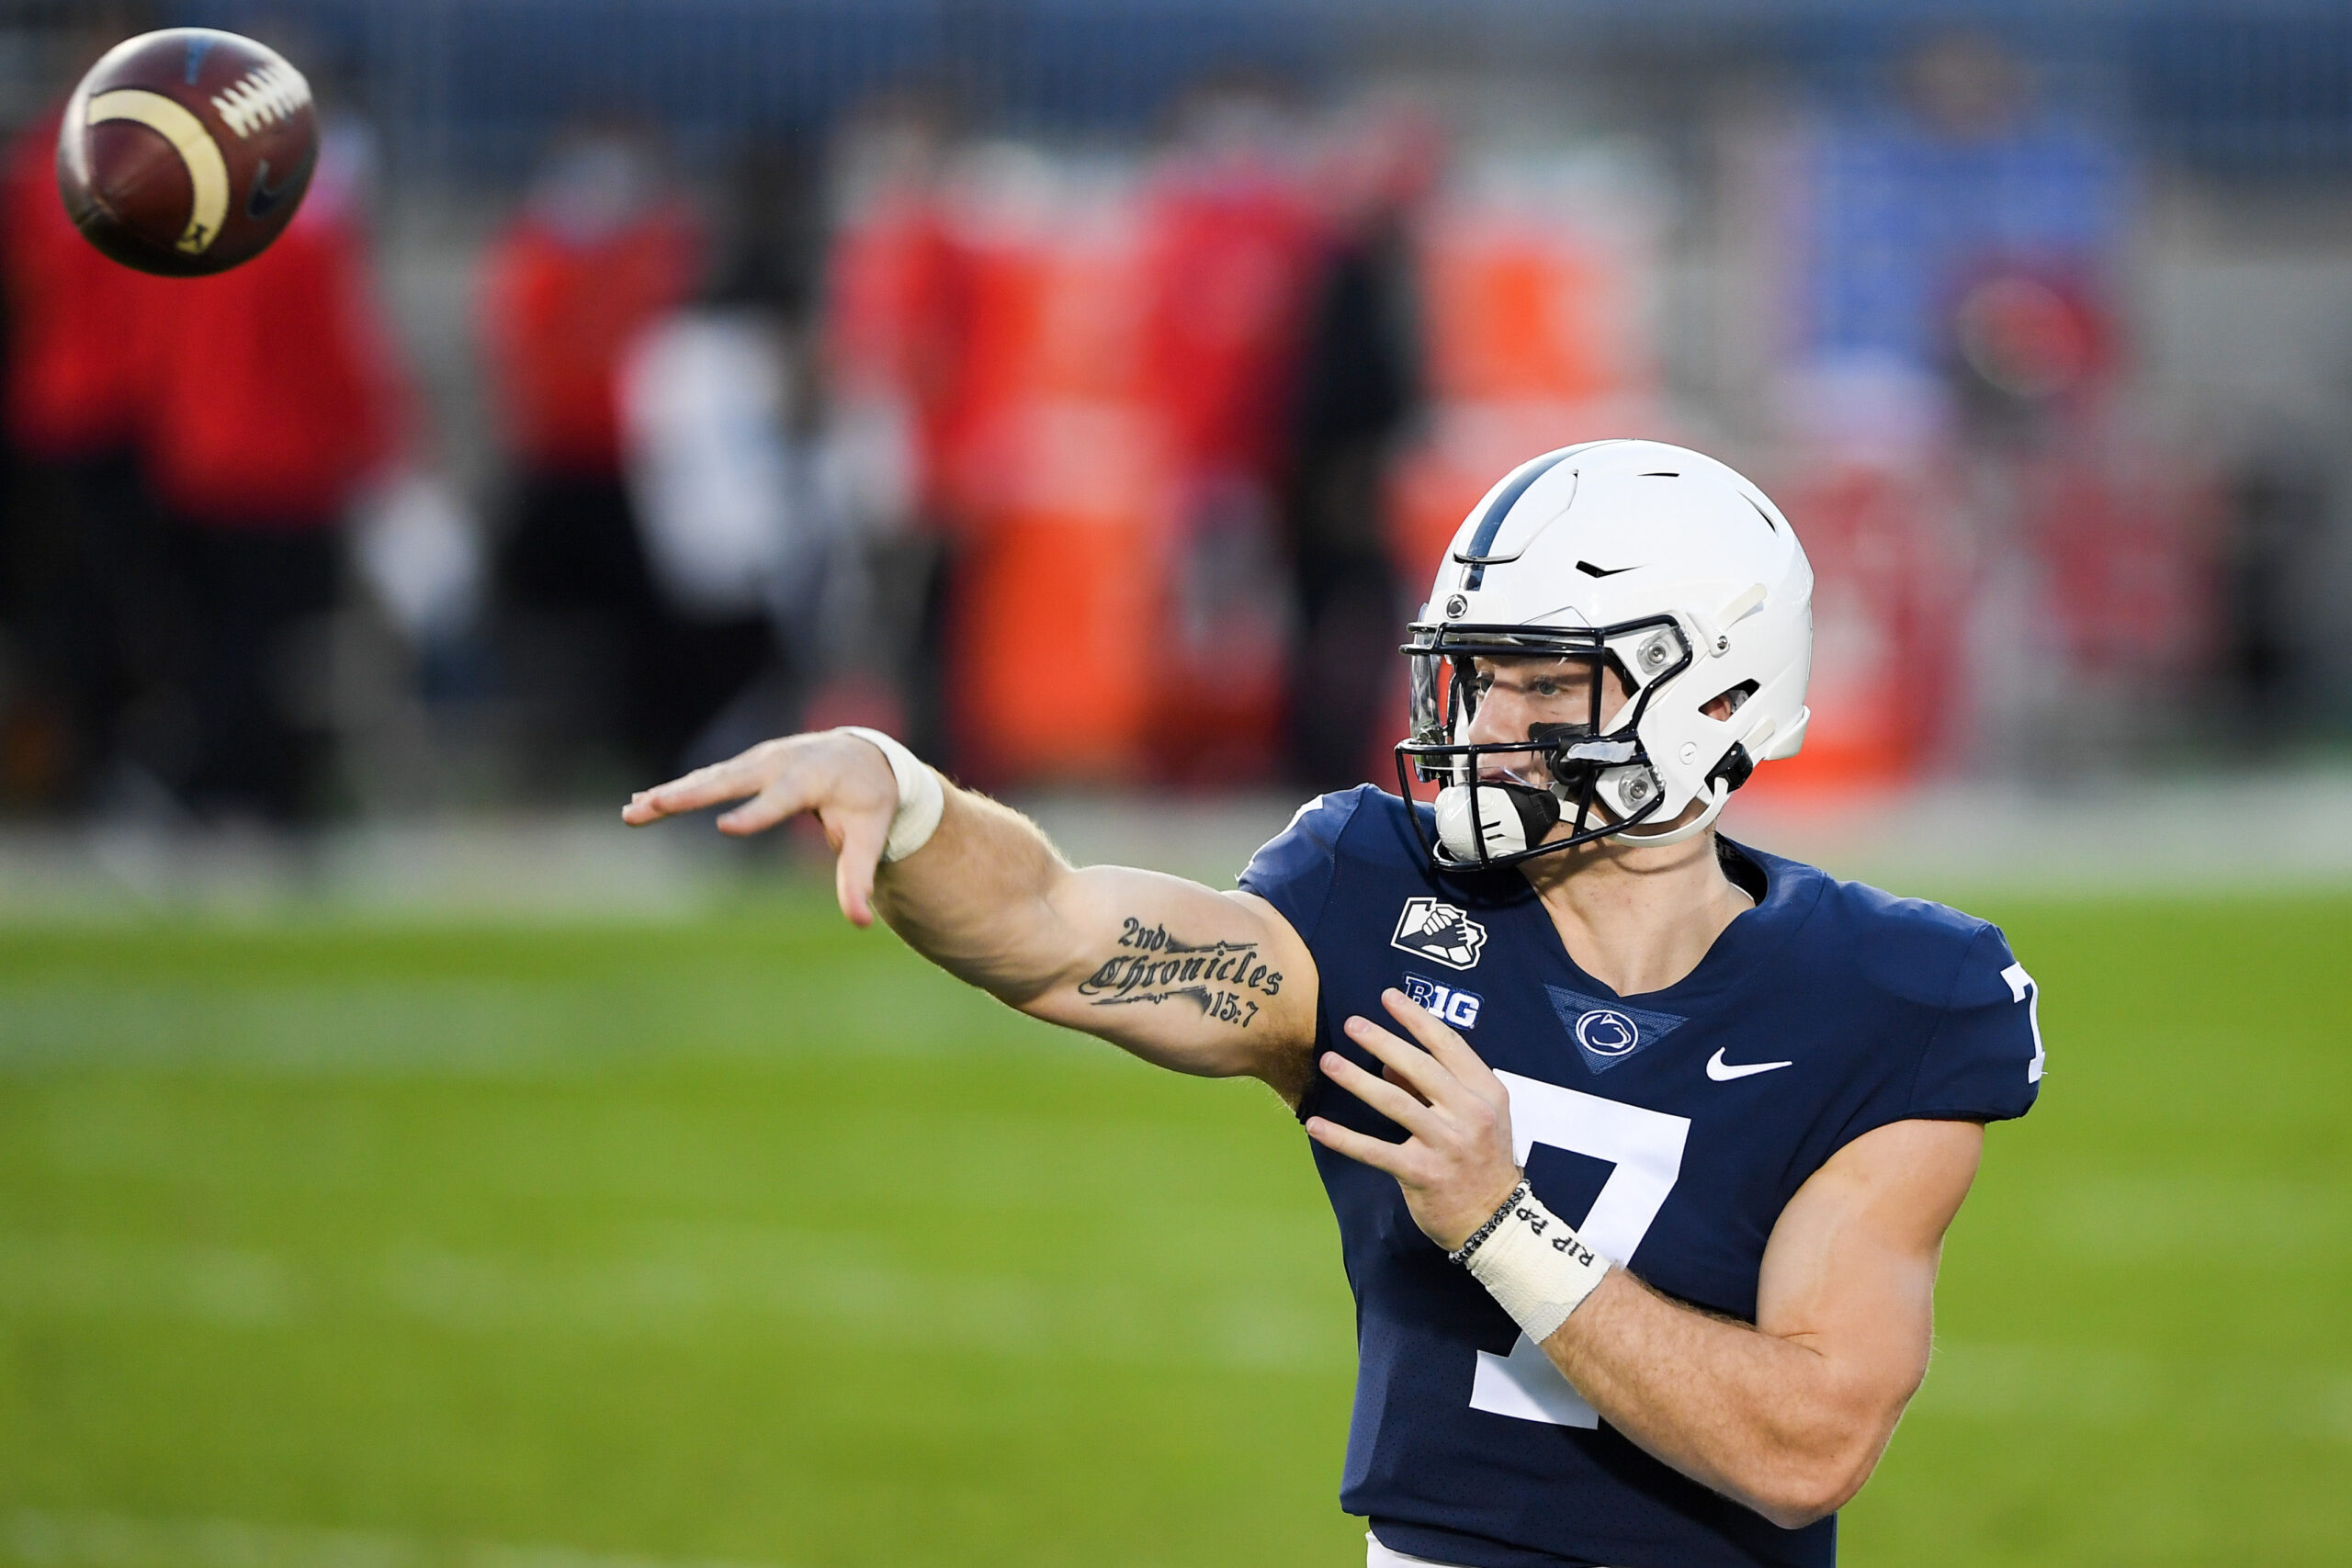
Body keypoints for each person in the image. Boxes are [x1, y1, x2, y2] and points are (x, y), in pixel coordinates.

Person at [623, 438, 2044, 1568]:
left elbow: (1803, 1451)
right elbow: (1058, 931)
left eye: (1546, 684)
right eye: (1474, 678)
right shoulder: (1376, 896)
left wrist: (1500, 1223)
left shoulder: (1890, 999)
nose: (1483, 726)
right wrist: (914, 796)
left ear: (1717, 703)